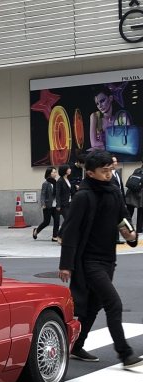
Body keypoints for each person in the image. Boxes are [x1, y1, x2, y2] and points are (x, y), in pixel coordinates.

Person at [58, 149, 140, 369]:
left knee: (94, 305)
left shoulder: (113, 191)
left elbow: (123, 216)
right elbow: (71, 230)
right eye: (104, 171)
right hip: (89, 260)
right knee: (113, 303)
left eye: (111, 170)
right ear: (90, 173)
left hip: (107, 259)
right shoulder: (83, 196)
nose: (109, 174)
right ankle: (125, 354)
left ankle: (76, 345)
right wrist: (66, 264)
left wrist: (131, 235)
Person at [33, 167, 60, 242]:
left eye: (55, 172)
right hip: (48, 205)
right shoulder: (45, 183)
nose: (55, 174)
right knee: (46, 222)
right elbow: (43, 194)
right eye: (53, 172)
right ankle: (36, 231)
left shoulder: (56, 182)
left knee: (57, 221)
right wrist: (43, 204)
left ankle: (55, 236)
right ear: (49, 173)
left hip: (55, 205)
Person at [89, 85, 116, 151]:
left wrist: (102, 146)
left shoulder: (119, 118)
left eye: (102, 101)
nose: (100, 106)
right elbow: (93, 143)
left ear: (110, 98)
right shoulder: (95, 116)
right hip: (100, 156)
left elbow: (126, 143)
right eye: (97, 104)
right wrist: (115, 145)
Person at [125, 158, 143, 233]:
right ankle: (139, 229)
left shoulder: (137, 170)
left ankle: (125, 228)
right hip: (140, 195)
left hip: (130, 195)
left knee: (128, 214)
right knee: (141, 214)